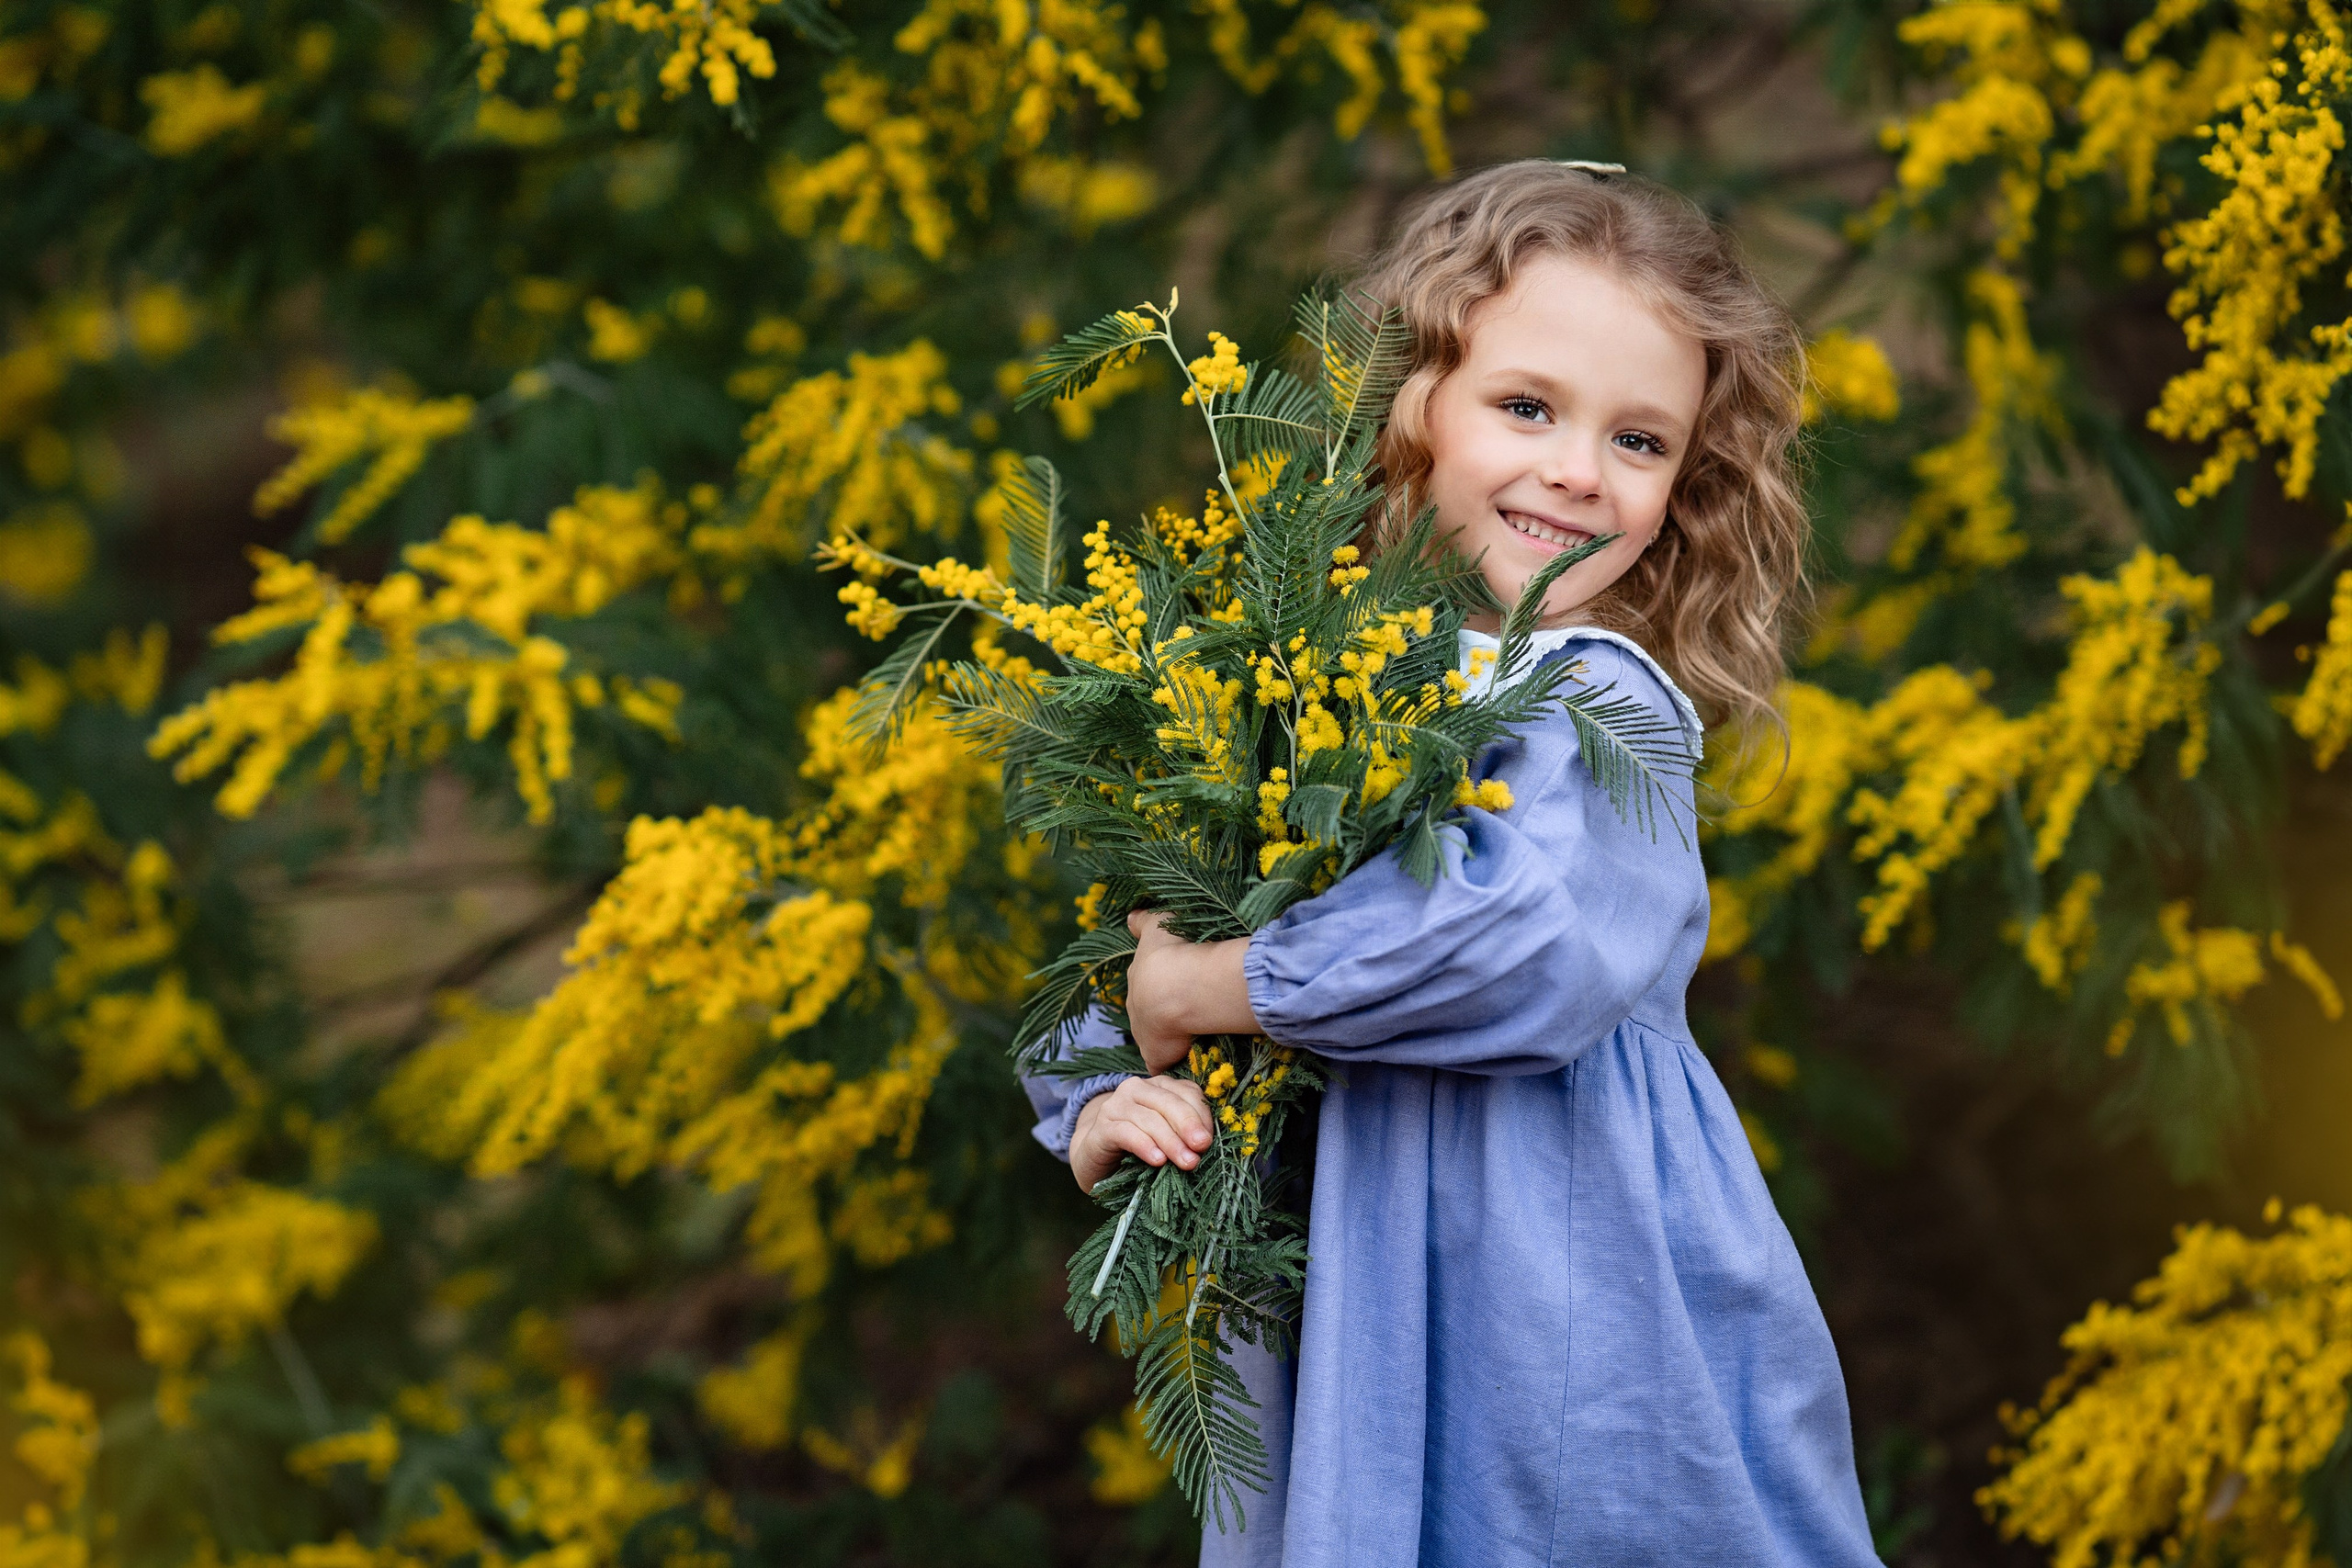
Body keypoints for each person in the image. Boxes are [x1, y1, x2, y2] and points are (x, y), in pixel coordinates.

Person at [1024, 161, 1883, 1567]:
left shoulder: (1597, 701)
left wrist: (1210, 991)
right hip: (1340, 1315)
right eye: (1528, 406)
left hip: (1561, 1302)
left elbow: (1515, 948)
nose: (1576, 471)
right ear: (1409, 398)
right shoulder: (1299, 684)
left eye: (1643, 442)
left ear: (1688, 485)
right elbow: (1128, 937)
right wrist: (1105, 1089)